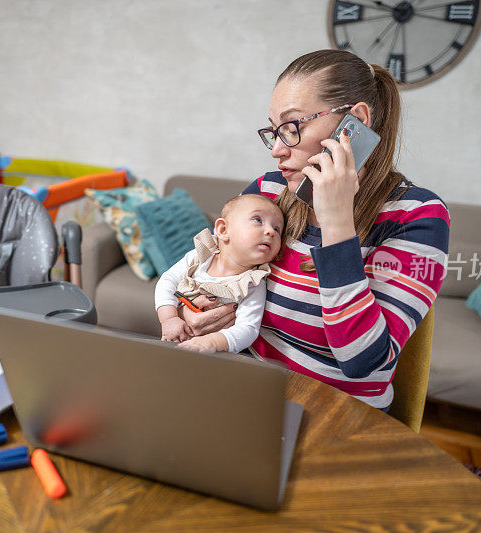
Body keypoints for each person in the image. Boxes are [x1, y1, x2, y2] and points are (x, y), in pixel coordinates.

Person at [178, 50, 450, 411]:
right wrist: (191, 311)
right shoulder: (269, 191)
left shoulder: (417, 217)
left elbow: (362, 361)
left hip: (337, 416)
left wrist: (336, 221)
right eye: (273, 131)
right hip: (244, 394)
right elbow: (209, 278)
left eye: (292, 128)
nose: (276, 150)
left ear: (354, 124)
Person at [154, 194, 284, 354]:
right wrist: (169, 318)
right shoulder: (199, 257)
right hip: (175, 340)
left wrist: (212, 342)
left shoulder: (253, 283)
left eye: (277, 229)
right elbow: (167, 281)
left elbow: (248, 329)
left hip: (214, 355)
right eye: (258, 220)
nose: (271, 231)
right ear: (223, 230)